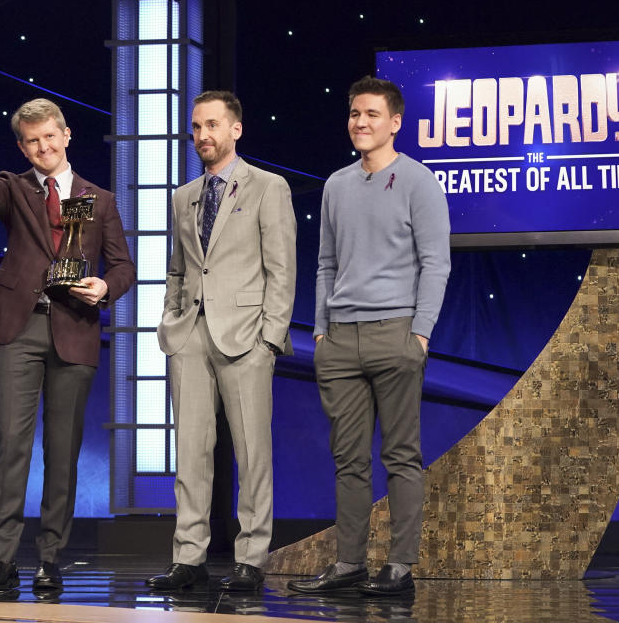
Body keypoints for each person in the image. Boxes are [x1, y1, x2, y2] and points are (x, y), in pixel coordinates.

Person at [0, 89, 134, 592]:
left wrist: (103, 286)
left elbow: (123, 267)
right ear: (22, 147)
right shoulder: (14, 189)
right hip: (18, 328)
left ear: (66, 135)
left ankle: (50, 559)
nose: (43, 148)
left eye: (50, 136)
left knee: (62, 451)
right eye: (32, 142)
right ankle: (3, 559)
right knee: (12, 446)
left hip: (74, 330)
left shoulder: (98, 200)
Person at [287, 76, 450, 597]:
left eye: (372, 114)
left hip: (396, 335)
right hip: (339, 341)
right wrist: (320, 331)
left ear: (395, 122)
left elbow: (436, 264)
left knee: (401, 455)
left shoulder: (419, 181)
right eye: (354, 113)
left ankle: (400, 566)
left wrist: (419, 335)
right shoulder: (336, 184)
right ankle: (349, 563)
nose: (360, 122)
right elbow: (326, 264)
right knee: (348, 459)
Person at [146, 90, 297, 592]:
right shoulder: (183, 195)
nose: (202, 136)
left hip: (246, 336)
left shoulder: (267, 187)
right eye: (196, 127)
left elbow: (282, 268)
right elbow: (178, 268)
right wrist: (171, 317)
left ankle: (251, 558)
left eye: (212, 125)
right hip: (190, 333)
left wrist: (271, 338)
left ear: (235, 129)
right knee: (190, 451)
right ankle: (188, 558)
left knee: (253, 453)